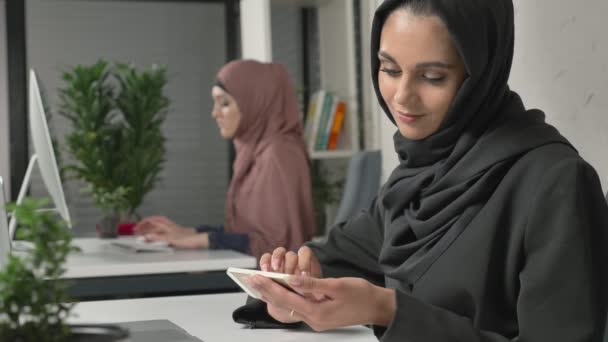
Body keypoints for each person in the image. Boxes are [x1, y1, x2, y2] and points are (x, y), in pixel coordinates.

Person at [246, 0, 608, 340]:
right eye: (389, 69)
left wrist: (388, 310)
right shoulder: (417, 173)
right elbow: (336, 257)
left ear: (481, 73)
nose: (402, 95)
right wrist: (291, 288)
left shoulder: (556, 183)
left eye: (432, 77)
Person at [134, 60, 316, 259]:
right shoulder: (253, 153)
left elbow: (278, 246)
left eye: (225, 103)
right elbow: (246, 232)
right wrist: (187, 233)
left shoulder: (279, 154)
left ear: (254, 101)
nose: (215, 113)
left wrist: (203, 239)